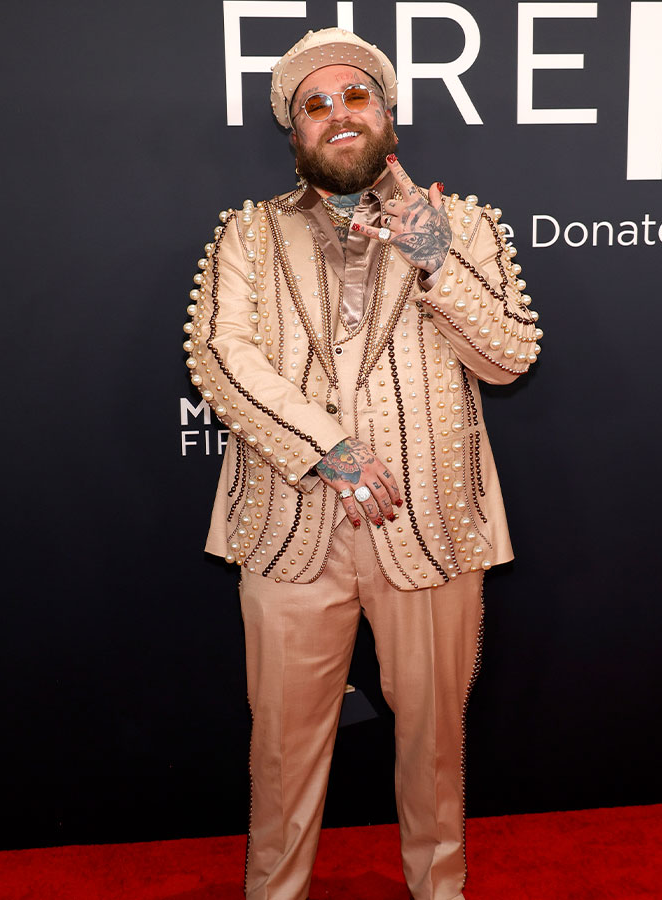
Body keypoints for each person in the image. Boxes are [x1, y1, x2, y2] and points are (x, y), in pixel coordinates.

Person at [183, 26, 541, 900]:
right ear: (295, 131)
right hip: (287, 527)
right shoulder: (249, 234)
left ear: (387, 113)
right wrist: (329, 450)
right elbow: (222, 360)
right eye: (315, 104)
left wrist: (433, 259)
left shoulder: (461, 226)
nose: (338, 114)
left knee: (433, 743)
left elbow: (508, 357)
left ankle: (440, 889)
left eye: (355, 97)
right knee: (281, 747)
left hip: (429, 527)